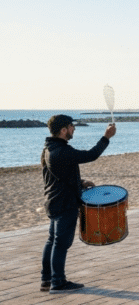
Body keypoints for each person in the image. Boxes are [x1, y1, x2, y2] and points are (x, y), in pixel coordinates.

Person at [40, 115, 117, 293]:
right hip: (64, 203)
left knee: (52, 240)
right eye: (71, 126)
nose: (74, 129)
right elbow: (91, 154)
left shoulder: (48, 148)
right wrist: (106, 137)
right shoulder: (61, 151)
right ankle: (58, 281)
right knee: (60, 243)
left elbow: (58, 175)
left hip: (53, 201)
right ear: (63, 130)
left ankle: (46, 279)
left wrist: (80, 182)